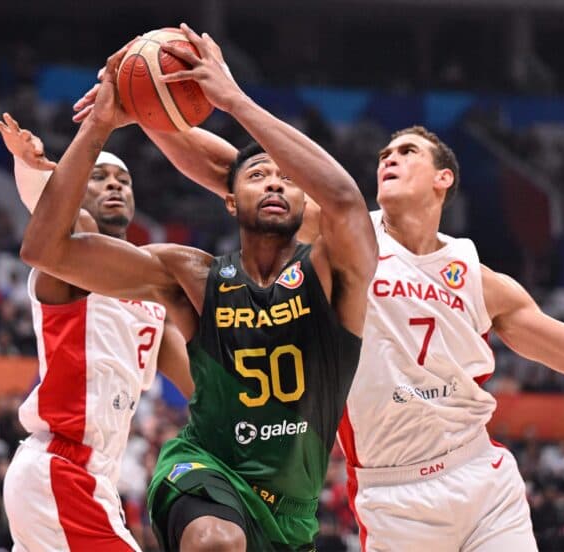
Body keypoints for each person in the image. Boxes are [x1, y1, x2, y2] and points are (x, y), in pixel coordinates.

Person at [125, 115, 564, 549]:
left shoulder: (479, 277)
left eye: (407, 151)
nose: (388, 159)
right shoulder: (347, 239)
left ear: (444, 178)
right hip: (393, 493)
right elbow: (232, 172)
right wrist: (147, 112)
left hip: (480, 476)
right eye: (384, 155)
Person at [21, 25, 376, 552]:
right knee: (215, 540)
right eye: (257, 175)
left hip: (290, 510)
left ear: (307, 204)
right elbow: (48, 251)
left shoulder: (335, 273)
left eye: (286, 178)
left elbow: (345, 201)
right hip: (203, 469)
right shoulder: (192, 276)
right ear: (230, 201)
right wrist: (99, 126)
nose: (273, 182)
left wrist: (234, 101)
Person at [0, 112, 193, 551]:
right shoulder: (69, 260)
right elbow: (53, 214)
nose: (115, 185)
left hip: (95, 477)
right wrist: (32, 168)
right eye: (99, 177)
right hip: (60, 467)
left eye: (123, 180)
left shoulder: (154, 290)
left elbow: (204, 386)